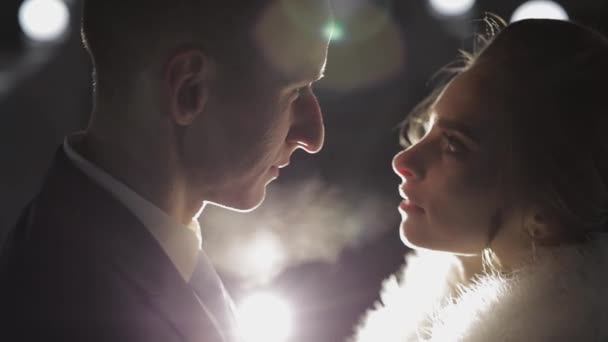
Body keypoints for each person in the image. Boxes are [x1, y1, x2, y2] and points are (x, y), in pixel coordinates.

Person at [0, 0, 331, 341]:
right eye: (295, 91)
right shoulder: (82, 315)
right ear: (190, 90)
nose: (313, 135)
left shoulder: (85, 263)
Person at [352, 18, 608, 341]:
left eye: (454, 145)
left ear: (544, 213)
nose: (403, 160)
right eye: (428, 128)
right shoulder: (417, 309)